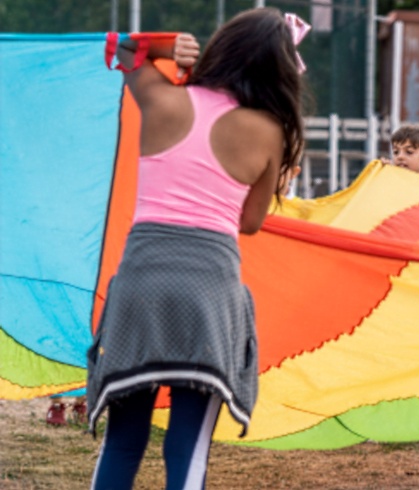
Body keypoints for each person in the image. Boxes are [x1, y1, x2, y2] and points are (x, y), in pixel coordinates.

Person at [86, 8, 307, 489]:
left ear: (222, 48)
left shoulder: (163, 99)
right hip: (209, 298)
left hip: (141, 288)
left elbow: (121, 46)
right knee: (187, 447)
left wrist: (165, 48)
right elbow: (249, 223)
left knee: (124, 439)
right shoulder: (270, 132)